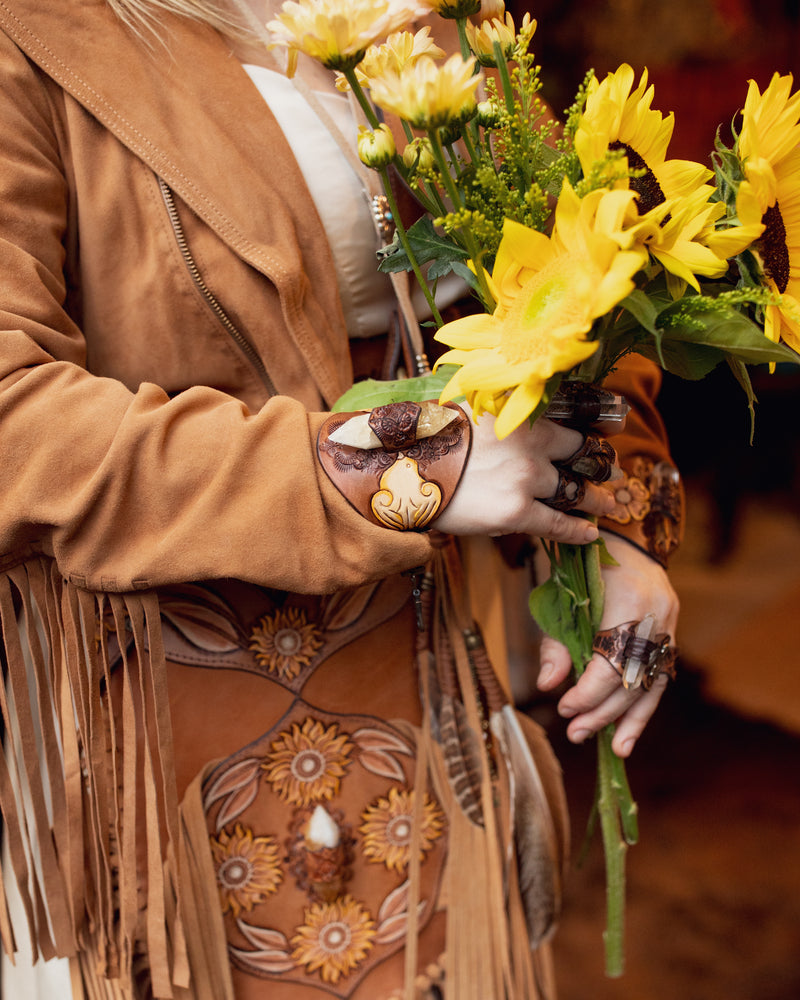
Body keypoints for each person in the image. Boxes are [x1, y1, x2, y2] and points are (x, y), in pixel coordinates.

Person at [0, 1, 681, 998]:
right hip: (173, 723)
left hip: (436, 692)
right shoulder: (36, 28)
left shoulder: (449, 15)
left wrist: (617, 526)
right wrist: (406, 466)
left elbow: (580, 278)